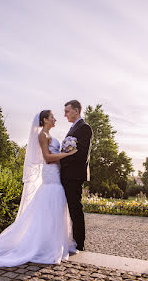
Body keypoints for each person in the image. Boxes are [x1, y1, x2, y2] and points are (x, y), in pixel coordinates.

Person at [0, 110, 78, 268]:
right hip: (50, 175)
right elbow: (47, 158)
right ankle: (44, 246)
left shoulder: (49, 135)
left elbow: (54, 155)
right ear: (44, 120)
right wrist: (68, 155)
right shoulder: (42, 136)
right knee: (50, 204)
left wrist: (65, 152)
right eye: (52, 117)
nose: (55, 119)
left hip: (56, 174)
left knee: (56, 208)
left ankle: (51, 242)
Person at [60, 100, 93, 251]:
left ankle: (79, 243)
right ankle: (72, 239)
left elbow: (82, 155)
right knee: (71, 208)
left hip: (73, 175)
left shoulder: (84, 128)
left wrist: (62, 158)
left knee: (75, 208)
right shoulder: (74, 128)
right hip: (67, 174)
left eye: (67, 111)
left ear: (76, 111)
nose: (65, 114)